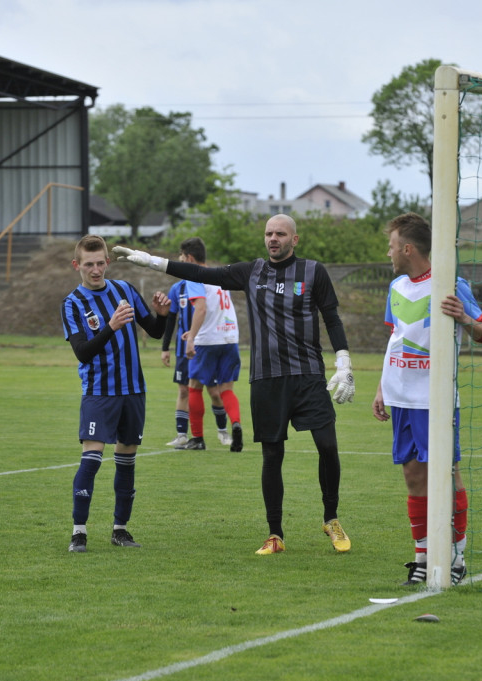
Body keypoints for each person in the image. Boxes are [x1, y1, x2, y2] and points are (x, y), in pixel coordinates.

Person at [113, 214, 356, 555]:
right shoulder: (251, 271)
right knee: (272, 455)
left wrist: (343, 361)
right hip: (266, 379)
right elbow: (200, 273)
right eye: (269, 233)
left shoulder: (314, 272)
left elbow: (331, 317)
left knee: (328, 446)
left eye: (281, 234)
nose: (273, 238)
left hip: (308, 376)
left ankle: (331, 518)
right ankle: (275, 534)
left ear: (294, 239)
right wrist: (150, 260)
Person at [371, 212, 482, 586]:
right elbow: (394, 340)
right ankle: (422, 557)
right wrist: (381, 387)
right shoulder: (396, 288)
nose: (388, 253)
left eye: (391, 246)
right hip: (400, 397)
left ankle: (456, 558)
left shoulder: (451, 284)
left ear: (407, 248)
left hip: (435, 399)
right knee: (412, 476)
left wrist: (464, 319)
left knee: (447, 475)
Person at [61, 235, 170, 553]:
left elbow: (155, 330)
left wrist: (162, 314)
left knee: (126, 462)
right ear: (77, 265)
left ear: (108, 261)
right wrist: (110, 326)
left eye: (100, 263)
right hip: (99, 392)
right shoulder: (73, 303)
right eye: (89, 264)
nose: (95, 270)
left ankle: (120, 530)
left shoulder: (124, 290)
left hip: (133, 390)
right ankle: (79, 532)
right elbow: (82, 352)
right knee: (91, 460)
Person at [161, 238, 244, 452]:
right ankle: (235, 424)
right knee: (226, 389)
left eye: (181, 259)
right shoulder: (218, 275)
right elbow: (217, 311)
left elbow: (201, 309)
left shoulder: (194, 277)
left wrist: (191, 339)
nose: (180, 263)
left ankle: (197, 439)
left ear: (189, 258)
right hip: (230, 338)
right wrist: (195, 331)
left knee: (194, 387)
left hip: (207, 343)